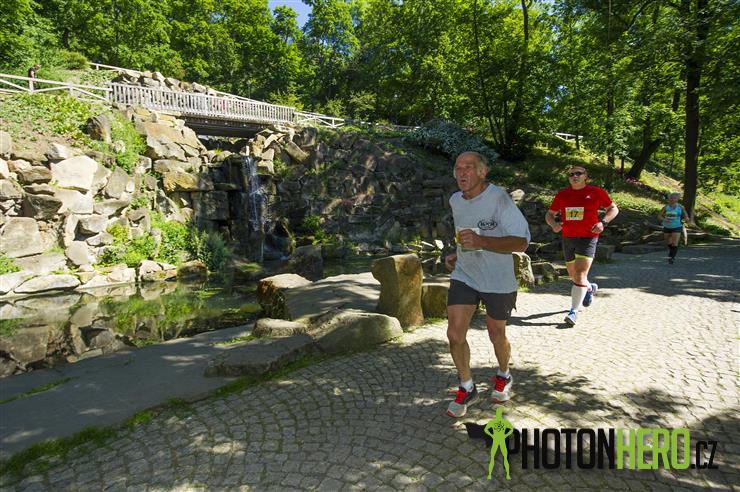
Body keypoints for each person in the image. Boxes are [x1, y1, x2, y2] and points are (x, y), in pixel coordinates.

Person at [445, 151, 531, 417]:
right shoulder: (455, 200)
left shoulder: (499, 199)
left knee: (496, 334)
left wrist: (482, 242)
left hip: (497, 279)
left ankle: (504, 374)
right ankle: (467, 386)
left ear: (483, 172)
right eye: (458, 167)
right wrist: (457, 252)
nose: (462, 172)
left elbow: (522, 242)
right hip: (465, 274)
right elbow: (466, 234)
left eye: (469, 167)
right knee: (454, 334)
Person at [545, 166, 618, 326]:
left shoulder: (596, 192)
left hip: (588, 237)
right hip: (568, 238)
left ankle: (573, 312)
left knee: (579, 274)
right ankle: (589, 288)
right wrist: (554, 224)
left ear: (586, 176)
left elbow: (613, 209)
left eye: (579, 173)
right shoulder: (563, 194)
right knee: (573, 275)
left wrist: (603, 222)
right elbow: (549, 214)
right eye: (571, 174)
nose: (574, 176)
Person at [658, 192, 689, 264]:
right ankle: (671, 252)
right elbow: (659, 216)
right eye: (671, 198)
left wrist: (686, 218)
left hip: (677, 226)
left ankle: (672, 257)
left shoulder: (681, 207)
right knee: (668, 242)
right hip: (667, 226)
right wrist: (664, 219)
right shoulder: (666, 207)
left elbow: (686, 215)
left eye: (674, 198)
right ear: (669, 199)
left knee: (675, 242)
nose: (672, 199)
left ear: (677, 199)